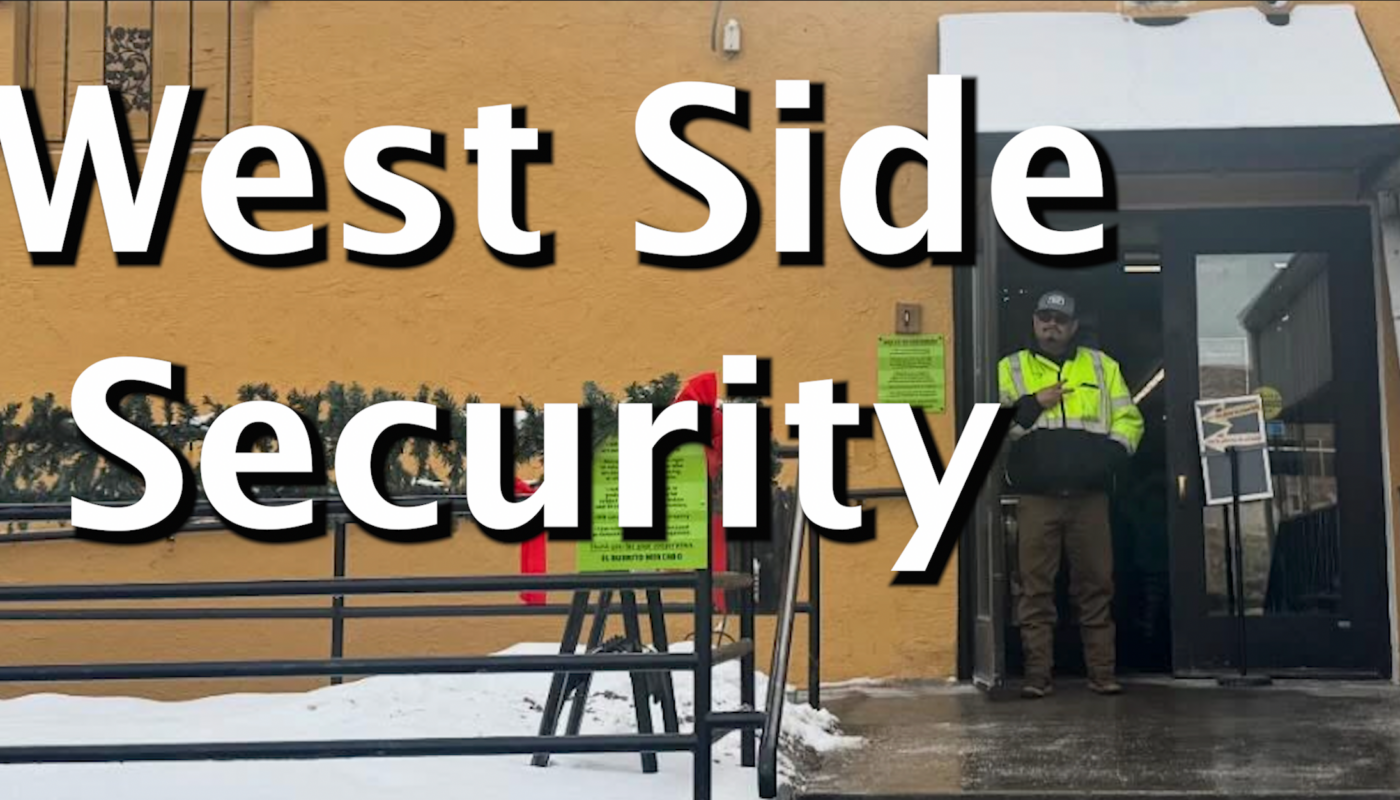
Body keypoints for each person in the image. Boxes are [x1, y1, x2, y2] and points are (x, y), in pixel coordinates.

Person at [998, 290, 1144, 698]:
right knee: (1034, 588)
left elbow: (1131, 421)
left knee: (1096, 585)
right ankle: (1037, 677)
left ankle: (1101, 674)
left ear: (1074, 326)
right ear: (1033, 322)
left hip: (1089, 498)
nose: (1051, 325)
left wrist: (1105, 461)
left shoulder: (1103, 366)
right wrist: (1033, 404)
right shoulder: (1010, 368)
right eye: (1044, 318)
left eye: (1060, 319)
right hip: (1036, 498)